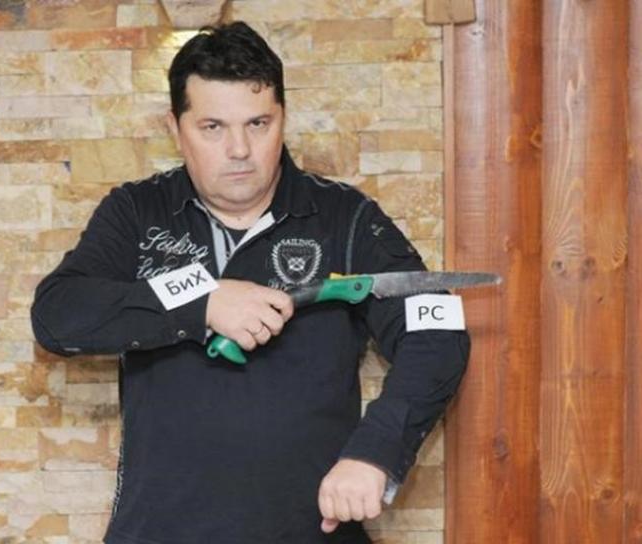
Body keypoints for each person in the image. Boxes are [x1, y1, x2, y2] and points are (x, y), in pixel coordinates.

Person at [31, 21, 470, 544]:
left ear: (283, 117)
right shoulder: (136, 211)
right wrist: (200, 302)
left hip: (314, 531)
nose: (239, 149)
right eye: (213, 127)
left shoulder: (344, 217)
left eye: (258, 123)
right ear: (176, 127)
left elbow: (437, 330)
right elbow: (58, 314)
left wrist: (377, 451)